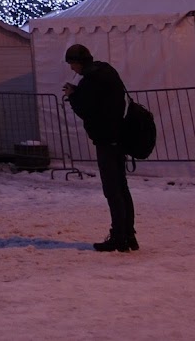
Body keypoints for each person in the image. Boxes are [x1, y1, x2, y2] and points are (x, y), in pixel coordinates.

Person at [63, 43, 137, 252]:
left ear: (78, 62)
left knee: (112, 189)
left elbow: (87, 109)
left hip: (106, 139)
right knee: (121, 187)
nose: (72, 69)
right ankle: (128, 234)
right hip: (119, 135)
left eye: (72, 64)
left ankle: (119, 236)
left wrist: (72, 95)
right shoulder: (106, 71)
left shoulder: (91, 80)